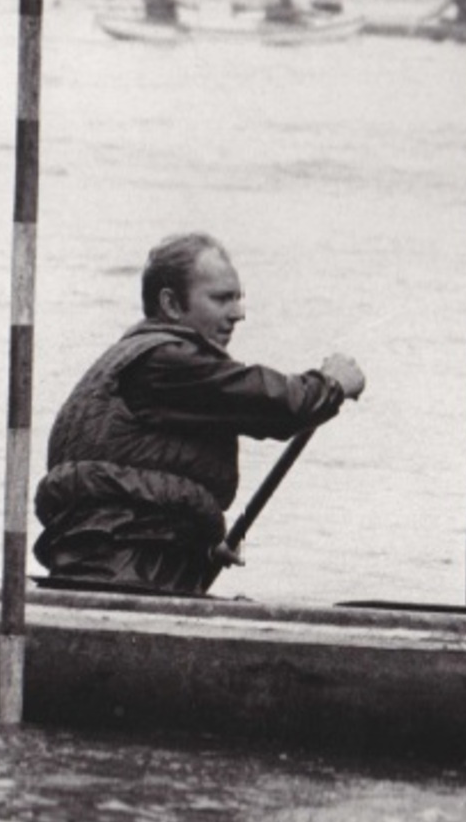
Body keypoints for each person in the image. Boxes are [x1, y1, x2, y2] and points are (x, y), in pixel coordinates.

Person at [33, 233, 368, 595]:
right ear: (171, 304)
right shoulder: (163, 362)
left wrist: (200, 546)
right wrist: (331, 384)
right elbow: (279, 405)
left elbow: (145, 475)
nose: (238, 313)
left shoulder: (131, 359)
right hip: (125, 569)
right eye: (222, 299)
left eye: (238, 298)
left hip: (120, 559)